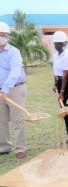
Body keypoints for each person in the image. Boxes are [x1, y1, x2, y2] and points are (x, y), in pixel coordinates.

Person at [0, 22, 27, 159]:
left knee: (18, 119)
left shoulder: (13, 52)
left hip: (15, 89)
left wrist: (6, 88)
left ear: (8, 37)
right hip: (0, 91)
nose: (1, 37)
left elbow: (15, 71)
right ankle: (4, 146)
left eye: (3, 35)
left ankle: (20, 148)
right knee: (1, 120)